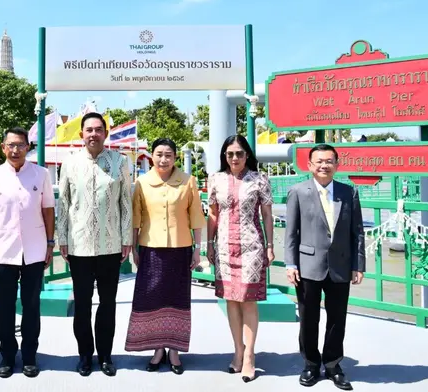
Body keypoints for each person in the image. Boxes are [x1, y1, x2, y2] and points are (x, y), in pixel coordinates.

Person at [57, 112, 132, 377]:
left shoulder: (120, 161)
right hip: (79, 247)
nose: (93, 134)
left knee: (108, 304)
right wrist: (62, 239)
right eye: (88, 130)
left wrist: (126, 239)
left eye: (98, 129)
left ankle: (106, 356)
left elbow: (126, 202)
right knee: (82, 305)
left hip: (111, 246)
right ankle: (85, 356)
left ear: (106, 133)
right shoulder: (70, 163)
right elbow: (63, 204)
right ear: (81, 134)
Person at [285, 143, 365, 390]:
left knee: (337, 318)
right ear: (309, 165)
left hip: (340, 265)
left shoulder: (348, 192)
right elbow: (291, 232)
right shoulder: (298, 191)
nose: (323, 165)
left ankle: (332, 365)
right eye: (318, 161)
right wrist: (290, 263)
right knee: (308, 318)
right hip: (308, 265)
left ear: (337, 164)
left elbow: (358, 232)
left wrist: (358, 264)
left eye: (329, 161)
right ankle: (310, 363)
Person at [125, 138, 205, 374]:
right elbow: (136, 219)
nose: (163, 159)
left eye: (168, 154)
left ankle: (174, 349)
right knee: (153, 299)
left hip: (181, 249)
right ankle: (157, 348)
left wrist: (198, 249)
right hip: (150, 250)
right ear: (151, 156)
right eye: (159, 154)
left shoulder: (188, 182)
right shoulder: (141, 183)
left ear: (175, 157)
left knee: (177, 299)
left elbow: (196, 219)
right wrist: (134, 249)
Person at [0, 127, 55, 379]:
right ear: (3, 147)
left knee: (32, 305)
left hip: (35, 249)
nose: (15, 150)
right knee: (3, 307)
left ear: (28, 147)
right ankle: (6, 355)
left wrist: (49, 243)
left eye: (21, 145)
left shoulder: (41, 174)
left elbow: (48, 210)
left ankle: (30, 356)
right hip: (4, 250)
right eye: (11, 145)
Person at [206, 134, 275, 383]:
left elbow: (267, 214)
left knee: (247, 300)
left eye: (239, 153)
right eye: (230, 154)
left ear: (247, 155)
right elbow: (213, 214)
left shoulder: (260, 179)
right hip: (224, 246)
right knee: (231, 300)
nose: (234, 158)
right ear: (224, 156)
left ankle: (250, 356)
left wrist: (270, 245)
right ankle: (238, 350)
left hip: (251, 246)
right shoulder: (215, 179)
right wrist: (208, 246)